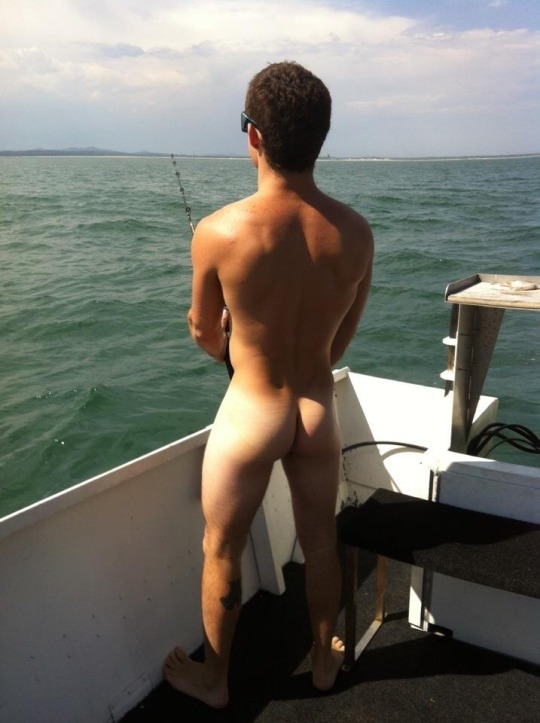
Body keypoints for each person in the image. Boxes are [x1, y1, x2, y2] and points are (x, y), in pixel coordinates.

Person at [164, 61, 373, 708]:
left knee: (221, 547)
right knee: (320, 542)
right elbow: (339, 343)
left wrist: (229, 344)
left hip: (252, 412)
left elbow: (205, 333)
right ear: (321, 137)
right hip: (316, 410)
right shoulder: (356, 233)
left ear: (253, 135)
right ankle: (324, 661)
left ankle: (214, 679)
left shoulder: (218, 232)